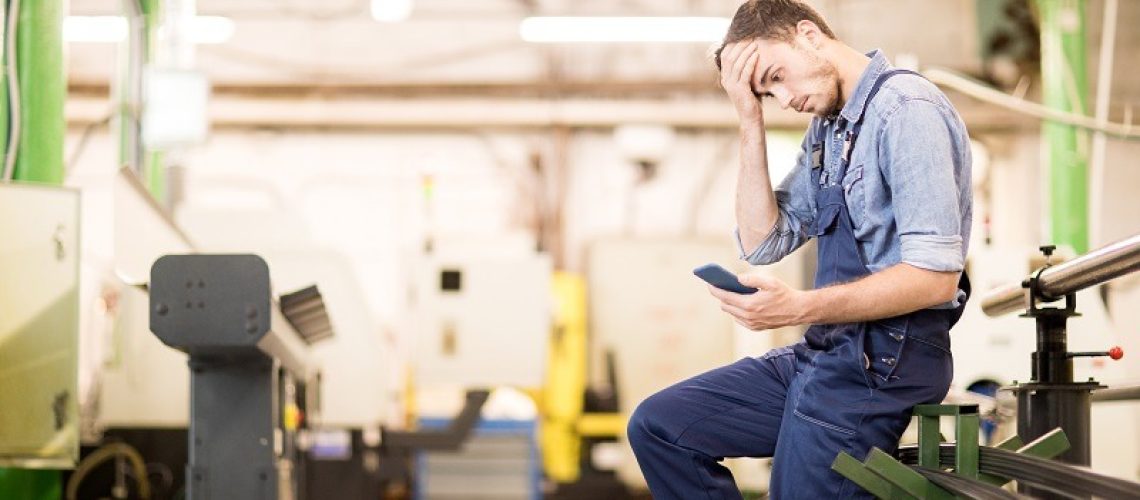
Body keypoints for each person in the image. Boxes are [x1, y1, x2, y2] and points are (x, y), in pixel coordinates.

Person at [625, 0, 973, 498]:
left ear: (808, 34)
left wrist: (798, 307)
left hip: (886, 360)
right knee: (660, 427)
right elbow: (764, 241)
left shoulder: (906, 110)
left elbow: (934, 277)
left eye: (777, 77)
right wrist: (749, 120)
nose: (784, 99)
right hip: (830, 351)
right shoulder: (830, 132)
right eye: (768, 94)